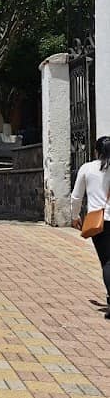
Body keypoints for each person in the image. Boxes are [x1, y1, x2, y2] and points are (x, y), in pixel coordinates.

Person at [70, 135, 110, 318]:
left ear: (96, 151)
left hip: (99, 222)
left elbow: (76, 196)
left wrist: (74, 216)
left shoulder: (87, 168)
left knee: (107, 262)